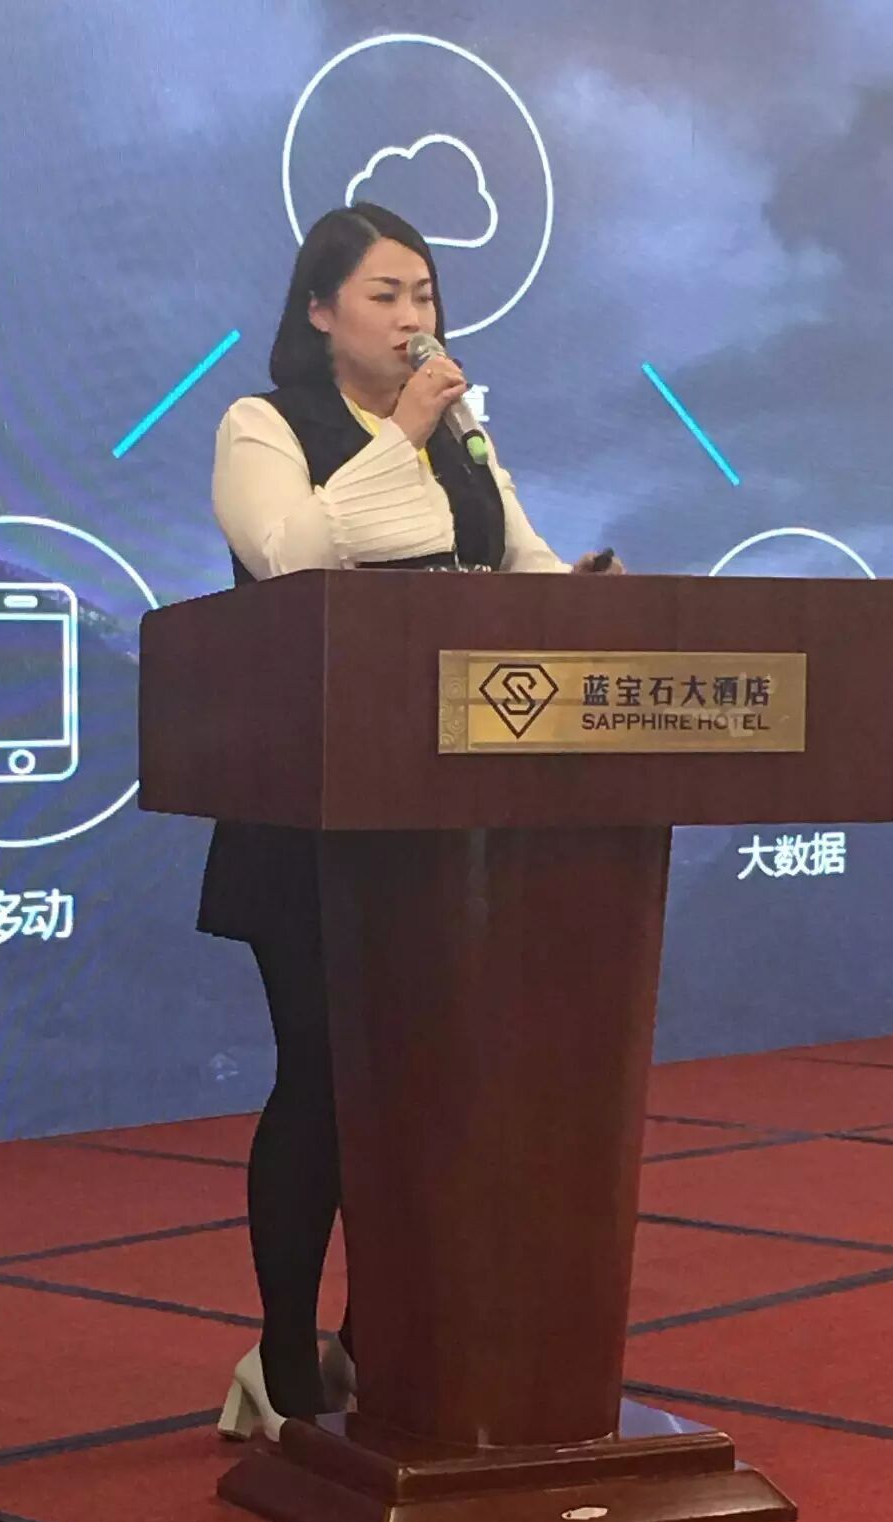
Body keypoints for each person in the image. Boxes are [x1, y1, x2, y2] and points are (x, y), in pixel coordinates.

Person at [201, 202, 623, 1443]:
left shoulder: (465, 439)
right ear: (319, 310)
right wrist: (402, 434)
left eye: (424, 295)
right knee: (328, 1074)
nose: (411, 318)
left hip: (457, 822)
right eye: (384, 295)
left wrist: (584, 601)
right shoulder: (264, 425)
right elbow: (287, 556)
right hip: (312, 814)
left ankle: (384, 1341)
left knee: (437, 1087)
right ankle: (284, 1354)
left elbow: (522, 569)